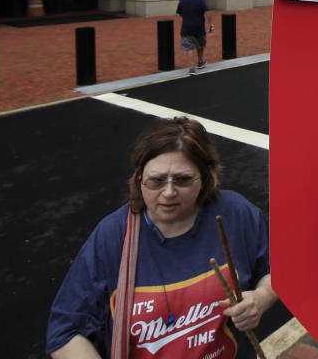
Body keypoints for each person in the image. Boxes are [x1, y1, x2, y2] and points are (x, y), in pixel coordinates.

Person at [46, 117, 275, 358]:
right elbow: (65, 331)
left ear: (206, 177)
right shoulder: (113, 236)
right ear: (139, 179)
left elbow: (279, 271)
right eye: (156, 181)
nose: (168, 192)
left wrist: (261, 298)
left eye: (183, 180)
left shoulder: (236, 214)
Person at [177, 0, 212, 73]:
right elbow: (207, 12)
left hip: (186, 28)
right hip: (199, 27)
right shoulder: (200, 0)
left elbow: (180, 13)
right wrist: (211, 23)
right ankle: (200, 62)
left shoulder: (182, 1)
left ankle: (192, 67)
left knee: (189, 47)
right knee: (200, 45)